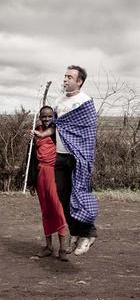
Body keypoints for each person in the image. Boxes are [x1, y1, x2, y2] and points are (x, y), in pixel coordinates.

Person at [34, 65, 98, 256]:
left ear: (79, 81)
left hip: (78, 155)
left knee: (78, 193)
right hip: (60, 155)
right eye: (65, 76)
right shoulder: (59, 101)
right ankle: (76, 233)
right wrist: (42, 134)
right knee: (63, 197)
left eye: (70, 77)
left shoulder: (85, 101)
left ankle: (89, 233)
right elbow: (56, 126)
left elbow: (88, 130)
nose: (65, 79)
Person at [27, 106, 68, 261]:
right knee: (46, 210)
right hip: (40, 174)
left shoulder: (58, 131)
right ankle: (49, 246)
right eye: (43, 116)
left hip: (54, 173)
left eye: (49, 116)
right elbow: (31, 159)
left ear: (54, 116)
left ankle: (63, 248)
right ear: (39, 117)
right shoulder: (35, 131)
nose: (46, 119)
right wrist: (31, 182)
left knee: (57, 208)